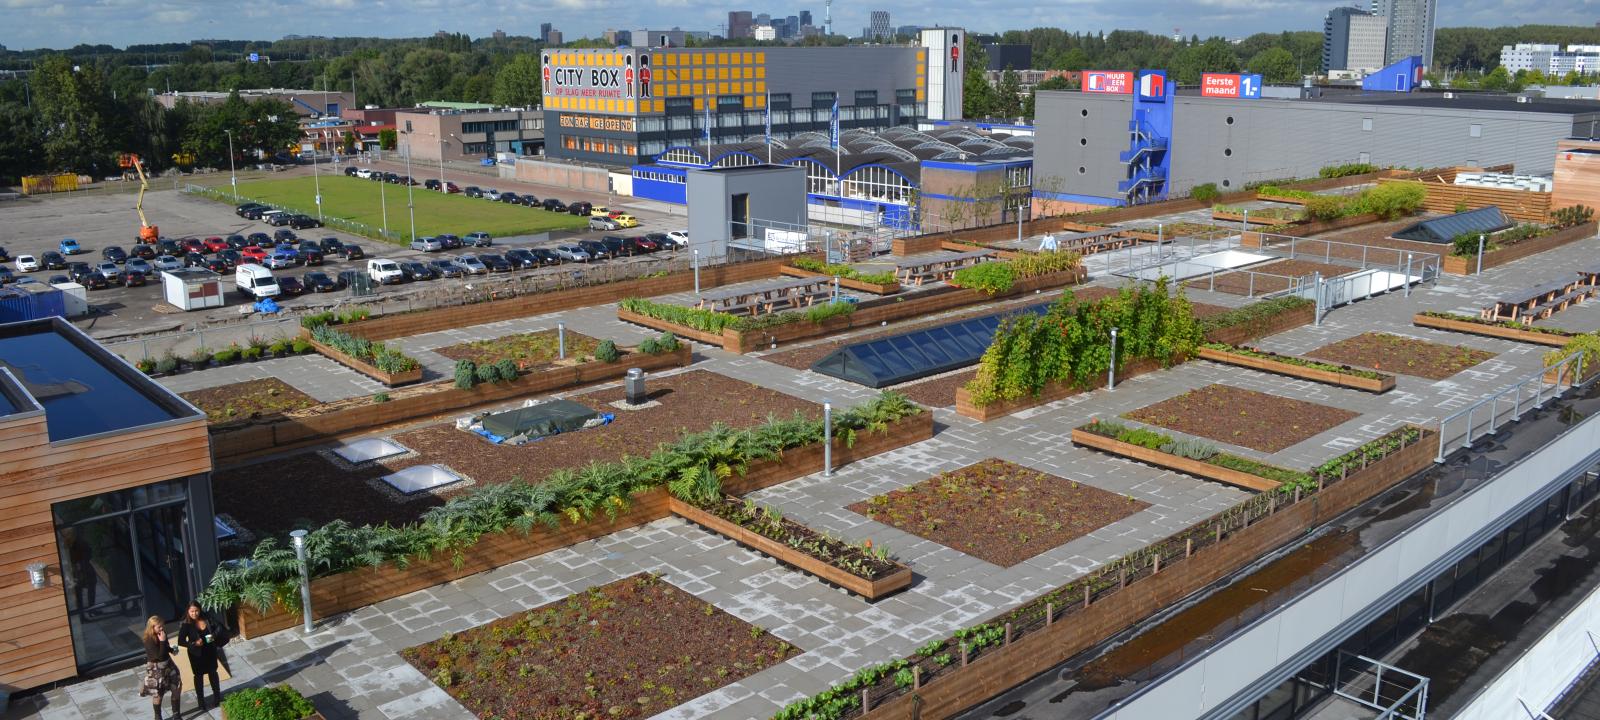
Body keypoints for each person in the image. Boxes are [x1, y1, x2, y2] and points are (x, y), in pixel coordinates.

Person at [177, 601, 223, 709]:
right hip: (196, 654)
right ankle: (201, 701)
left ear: (200, 610)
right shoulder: (186, 624)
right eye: (192, 611)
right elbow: (181, 641)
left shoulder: (207, 617)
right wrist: (194, 644)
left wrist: (211, 637)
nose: (194, 613)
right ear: (188, 612)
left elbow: (219, 627)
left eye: (196, 611)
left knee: (213, 672)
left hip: (210, 650)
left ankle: (217, 697)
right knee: (198, 676)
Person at [138, 616, 181, 720]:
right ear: (152, 628)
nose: (162, 628)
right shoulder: (148, 640)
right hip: (156, 668)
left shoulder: (162, 633)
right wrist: (162, 641)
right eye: (159, 627)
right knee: (158, 693)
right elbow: (159, 656)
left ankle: (176, 714)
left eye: (162, 626)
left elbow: (165, 648)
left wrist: (171, 650)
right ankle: (158, 716)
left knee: (176, 686)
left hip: (168, 665)